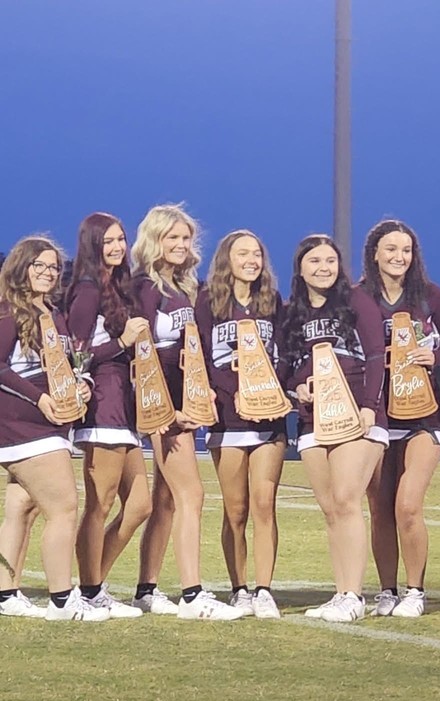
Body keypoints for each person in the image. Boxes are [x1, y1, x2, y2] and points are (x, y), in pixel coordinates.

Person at [130, 204, 243, 620]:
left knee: (166, 500)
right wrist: (169, 407)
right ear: (154, 240)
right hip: (163, 406)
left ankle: (146, 587)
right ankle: (193, 594)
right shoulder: (144, 287)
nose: (180, 245)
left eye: (185, 238)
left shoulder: (184, 287)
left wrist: (200, 395)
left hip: (184, 404)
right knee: (191, 494)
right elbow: (143, 356)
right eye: (171, 237)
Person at [0, 236, 109, 621]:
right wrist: (39, 397)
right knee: (64, 508)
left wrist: (81, 384)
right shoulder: (8, 310)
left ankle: (5, 594)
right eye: (39, 265)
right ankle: (63, 600)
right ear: (21, 267)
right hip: (24, 424)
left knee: (22, 506)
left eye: (53, 267)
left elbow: (63, 364)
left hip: (48, 423)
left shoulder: (51, 311)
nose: (47, 273)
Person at [281, 234, 388, 622]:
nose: (323, 268)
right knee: (330, 509)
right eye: (314, 261)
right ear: (300, 268)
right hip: (314, 419)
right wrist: (297, 389)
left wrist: (370, 406)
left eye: (330, 261)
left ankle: (355, 596)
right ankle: (342, 592)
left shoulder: (357, 301)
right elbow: (287, 367)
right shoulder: (292, 311)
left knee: (346, 500)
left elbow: (377, 355)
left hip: (357, 414)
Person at [361, 219, 440, 618]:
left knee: (407, 505)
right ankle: (387, 590)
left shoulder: (430, 296)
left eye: (405, 250)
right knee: (380, 507)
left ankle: (415, 591)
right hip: (379, 413)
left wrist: (435, 356)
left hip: (424, 412)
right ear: (375, 254)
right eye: (390, 250)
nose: (399, 257)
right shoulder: (358, 298)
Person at [195, 230, 286, 619]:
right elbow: (199, 355)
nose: (251, 259)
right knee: (236, 509)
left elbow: (283, 353)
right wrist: (231, 390)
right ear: (226, 259)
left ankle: (264, 589)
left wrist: (267, 388)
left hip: (269, 416)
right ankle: (240, 588)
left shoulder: (272, 302)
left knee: (265, 504)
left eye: (257, 253)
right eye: (242, 253)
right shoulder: (208, 302)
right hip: (229, 419)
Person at [66, 212, 152, 619]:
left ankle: (92, 583)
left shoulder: (115, 286)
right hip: (102, 404)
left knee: (140, 505)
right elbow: (75, 356)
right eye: (109, 242)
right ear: (92, 245)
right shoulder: (85, 290)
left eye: (121, 239)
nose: (118, 247)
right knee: (99, 504)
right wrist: (122, 341)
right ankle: (90, 589)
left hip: (125, 406)